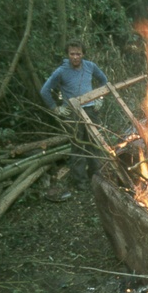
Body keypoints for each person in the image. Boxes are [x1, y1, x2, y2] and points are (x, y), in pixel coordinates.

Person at [40, 39, 109, 188]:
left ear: (83, 54)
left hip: (91, 110)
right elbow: (44, 90)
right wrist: (56, 108)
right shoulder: (61, 71)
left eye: (78, 53)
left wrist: (100, 98)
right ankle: (81, 182)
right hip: (73, 113)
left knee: (94, 144)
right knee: (78, 146)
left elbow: (104, 81)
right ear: (68, 54)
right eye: (72, 54)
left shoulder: (90, 66)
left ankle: (96, 177)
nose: (75, 57)